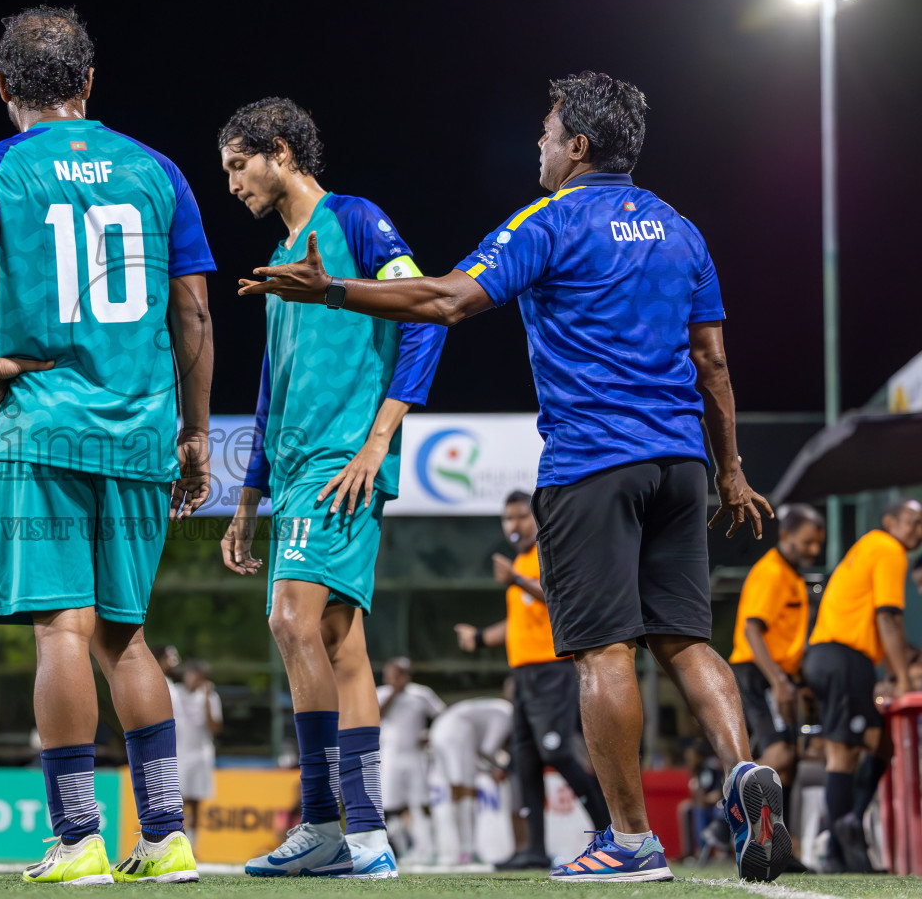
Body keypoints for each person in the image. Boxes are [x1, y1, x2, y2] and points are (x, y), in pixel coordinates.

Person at [238, 71, 787, 883]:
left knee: (603, 654)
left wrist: (336, 292)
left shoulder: (552, 220)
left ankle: (630, 841)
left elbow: (449, 302)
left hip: (594, 463)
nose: (537, 143)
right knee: (684, 641)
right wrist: (732, 471)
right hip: (683, 466)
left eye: (547, 130)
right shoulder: (681, 230)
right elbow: (713, 362)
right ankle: (744, 769)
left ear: (578, 147)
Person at [0, 6, 214, 886]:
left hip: (45, 429)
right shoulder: (157, 169)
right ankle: (165, 837)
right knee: (126, 638)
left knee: (62, 628)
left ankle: (78, 836)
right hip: (139, 432)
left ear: (5, 87)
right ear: (90, 82)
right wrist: (196, 434)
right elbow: (193, 311)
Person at [216, 97, 447, 880]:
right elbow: (271, 385)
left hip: (341, 461)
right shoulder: (286, 258)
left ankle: (320, 822)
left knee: (290, 621)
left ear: (279, 152)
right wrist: (249, 495)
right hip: (295, 472)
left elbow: (425, 317)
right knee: (341, 643)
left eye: (237, 165)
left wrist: (378, 441)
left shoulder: (356, 220)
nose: (231, 184)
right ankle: (372, 838)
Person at [454, 491, 609, 870]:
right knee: (525, 763)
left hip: (552, 671)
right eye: (508, 519)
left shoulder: (546, 555)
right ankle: (534, 850)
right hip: (523, 676)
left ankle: (612, 834)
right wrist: (477, 638)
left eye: (522, 516)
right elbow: (517, 625)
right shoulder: (522, 563)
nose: (514, 525)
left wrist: (517, 580)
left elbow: (558, 599)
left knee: (556, 752)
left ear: (536, 519)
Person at [802, 497, 922, 871]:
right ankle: (840, 851)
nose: (916, 531)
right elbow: (889, 617)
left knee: (879, 743)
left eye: (921, 525)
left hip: (831, 656)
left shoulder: (868, 546)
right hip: (843, 656)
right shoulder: (888, 549)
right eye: (911, 522)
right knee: (843, 754)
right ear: (890, 521)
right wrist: (902, 678)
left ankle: (850, 823)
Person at [729, 504, 824, 792]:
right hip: (758, 671)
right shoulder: (771, 573)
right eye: (807, 542)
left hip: (777, 674)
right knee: (780, 753)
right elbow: (752, 630)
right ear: (786, 535)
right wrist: (778, 680)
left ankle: (769, 835)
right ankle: (724, 824)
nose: (814, 550)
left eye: (818, 543)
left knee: (790, 764)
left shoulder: (792, 576)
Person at [428, 696, 513, 866]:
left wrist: (488, 768)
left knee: (457, 793)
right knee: (465, 793)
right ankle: (467, 850)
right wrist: (498, 768)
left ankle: (454, 849)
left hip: (440, 731)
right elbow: (488, 749)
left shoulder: (497, 708)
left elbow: (481, 753)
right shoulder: (507, 713)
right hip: (456, 732)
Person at [376, 657, 443, 863]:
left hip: (415, 754)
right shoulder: (381, 694)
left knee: (420, 800)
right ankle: (399, 849)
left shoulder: (421, 694)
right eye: (393, 674)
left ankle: (427, 849)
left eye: (401, 674)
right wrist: (394, 693)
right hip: (390, 754)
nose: (397, 678)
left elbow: (442, 715)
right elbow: (376, 716)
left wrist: (429, 734)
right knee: (390, 803)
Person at [169, 659, 222, 850]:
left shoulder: (210, 697)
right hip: (179, 753)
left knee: (196, 801)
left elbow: (215, 728)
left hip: (201, 754)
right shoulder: (174, 693)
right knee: (178, 800)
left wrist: (207, 699)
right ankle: (177, 841)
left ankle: (193, 846)